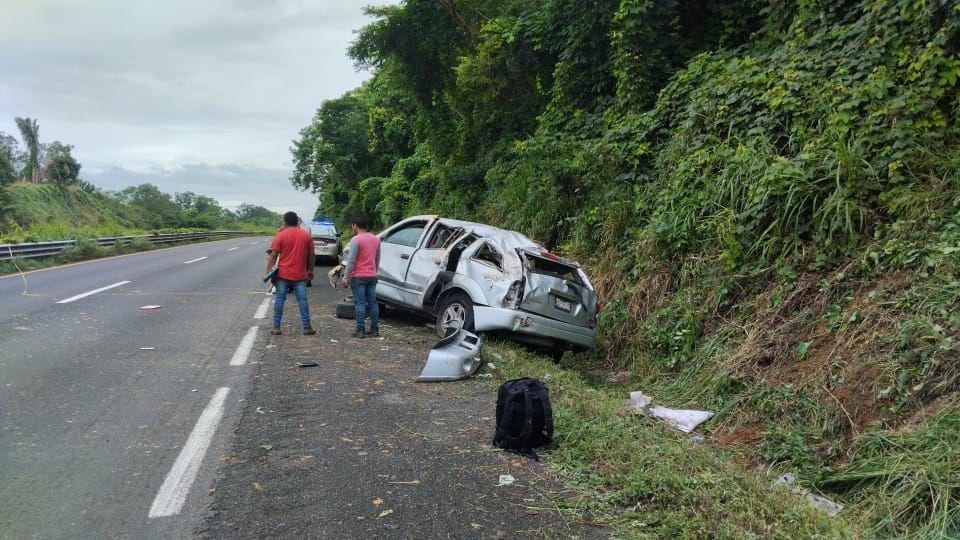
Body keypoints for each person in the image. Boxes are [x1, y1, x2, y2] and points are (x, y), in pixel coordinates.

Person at [265, 211, 316, 335]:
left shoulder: (281, 235)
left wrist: (268, 271)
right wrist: (310, 270)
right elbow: (312, 255)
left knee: (280, 300)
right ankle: (307, 327)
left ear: (285, 221)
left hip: (283, 274)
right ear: (297, 221)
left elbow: (273, 254)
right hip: (300, 275)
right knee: (302, 301)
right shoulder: (306, 236)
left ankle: (276, 328)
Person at [340, 214, 381, 338]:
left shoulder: (356, 240)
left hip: (358, 276)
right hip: (372, 275)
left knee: (360, 303)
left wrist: (346, 277)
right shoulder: (376, 239)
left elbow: (351, 260)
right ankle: (374, 330)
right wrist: (374, 271)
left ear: (355, 225)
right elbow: (377, 258)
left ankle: (360, 330)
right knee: (373, 303)